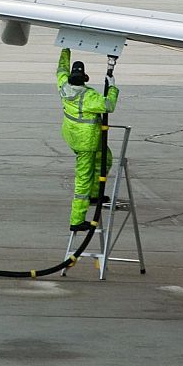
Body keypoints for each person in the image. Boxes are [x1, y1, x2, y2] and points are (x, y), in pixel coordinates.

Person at [56, 48, 118, 231]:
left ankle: (94, 194)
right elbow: (108, 105)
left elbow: (60, 69)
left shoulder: (63, 86)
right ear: (84, 79)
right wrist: (112, 87)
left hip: (73, 135)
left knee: (105, 158)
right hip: (86, 142)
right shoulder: (88, 97)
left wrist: (66, 48)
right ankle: (76, 220)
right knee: (84, 177)